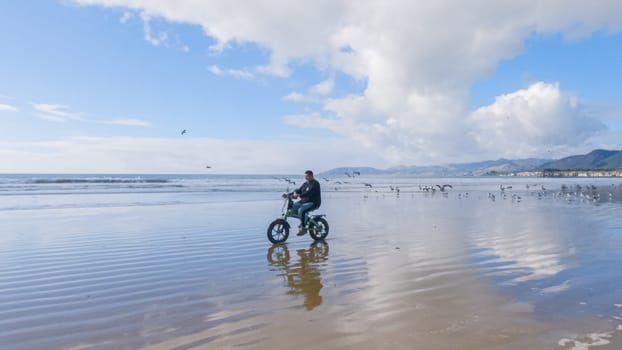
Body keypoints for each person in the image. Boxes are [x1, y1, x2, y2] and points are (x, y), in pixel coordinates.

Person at [292, 170, 321, 236]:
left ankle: (303, 228)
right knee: (293, 207)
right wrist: (292, 193)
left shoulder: (315, 183)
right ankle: (304, 220)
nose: (306, 178)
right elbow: (299, 190)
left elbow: (309, 192)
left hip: (314, 202)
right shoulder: (305, 184)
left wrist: (300, 195)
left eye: (307, 176)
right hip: (304, 202)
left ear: (311, 176)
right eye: (305, 176)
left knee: (301, 210)